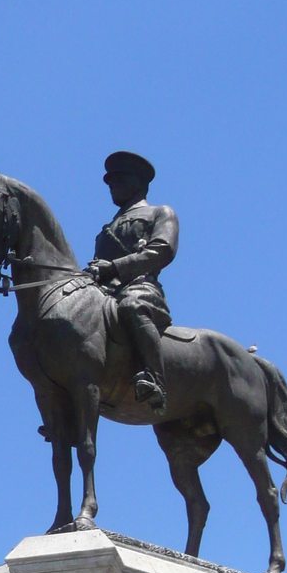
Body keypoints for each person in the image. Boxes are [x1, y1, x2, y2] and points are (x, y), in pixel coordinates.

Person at [85, 150, 178, 415]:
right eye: (110, 182)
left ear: (138, 182)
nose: (112, 186)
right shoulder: (106, 230)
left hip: (140, 288)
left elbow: (162, 250)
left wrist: (114, 267)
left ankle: (155, 380)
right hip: (104, 293)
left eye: (118, 180)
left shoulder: (160, 213)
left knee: (131, 306)